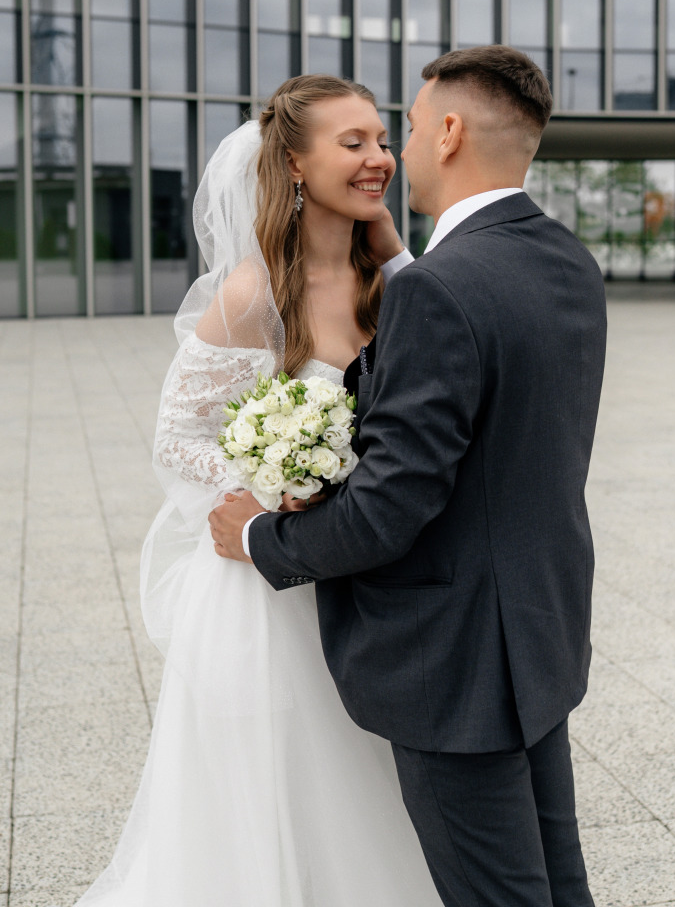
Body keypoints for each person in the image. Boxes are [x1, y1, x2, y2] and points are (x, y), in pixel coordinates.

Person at [210, 46, 607, 907]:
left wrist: (257, 533)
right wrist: (402, 266)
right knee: (556, 883)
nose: (397, 154)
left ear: (452, 132)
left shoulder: (437, 290)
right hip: (538, 637)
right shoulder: (565, 262)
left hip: (450, 659)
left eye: (411, 128)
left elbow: (388, 512)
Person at [71, 75, 442, 907]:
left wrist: (394, 248)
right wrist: (276, 482)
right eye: (353, 143)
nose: (379, 157)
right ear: (295, 165)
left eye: (383, 139)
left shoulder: (390, 279)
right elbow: (177, 436)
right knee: (278, 786)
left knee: (368, 774)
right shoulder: (251, 292)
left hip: (366, 573)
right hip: (266, 591)